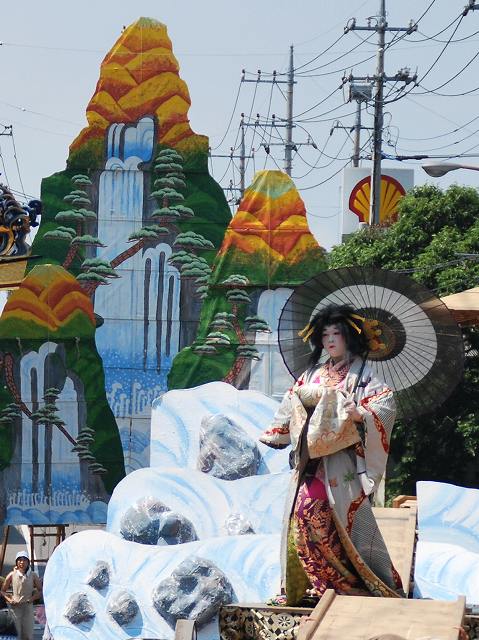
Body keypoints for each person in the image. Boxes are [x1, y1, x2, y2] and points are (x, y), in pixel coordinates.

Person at [260, 304, 404, 604]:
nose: (329, 340)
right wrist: (283, 426)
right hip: (311, 460)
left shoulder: (363, 374)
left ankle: (345, 583)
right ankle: (314, 585)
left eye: (335, 333)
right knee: (301, 515)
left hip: (342, 460)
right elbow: (291, 400)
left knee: (327, 516)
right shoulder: (312, 373)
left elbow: (385, 405)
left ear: (349, 336)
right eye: (324, 335)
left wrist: (360, 413)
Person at [1, 550, 42, 640]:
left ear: (28, 562)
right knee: (16, 633)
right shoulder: (12, 575)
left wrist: (32, 598)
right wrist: (9, 599)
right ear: (16, 562)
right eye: (19, 560)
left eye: (24, 560)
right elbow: (3, 591)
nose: (22, 562)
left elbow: (40, 591)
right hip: (15, 608)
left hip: (28, 608)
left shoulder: (33, 575)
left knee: (28, 633)